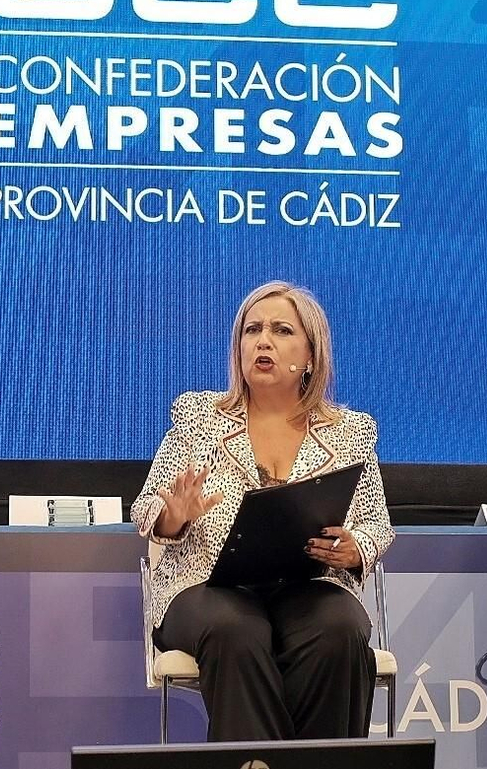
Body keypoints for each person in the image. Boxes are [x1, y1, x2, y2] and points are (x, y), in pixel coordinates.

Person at [131, 280, 393, 741]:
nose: (263, 340)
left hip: (306, 584)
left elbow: (376, 524)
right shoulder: (199, 416)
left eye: (281, 330)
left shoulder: (351, 431)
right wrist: (176, 514)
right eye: (252, 330)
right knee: (236, 630)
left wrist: (355, 549)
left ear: (310, 355)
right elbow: (148, 508)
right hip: (206, 587)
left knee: (339, 629)